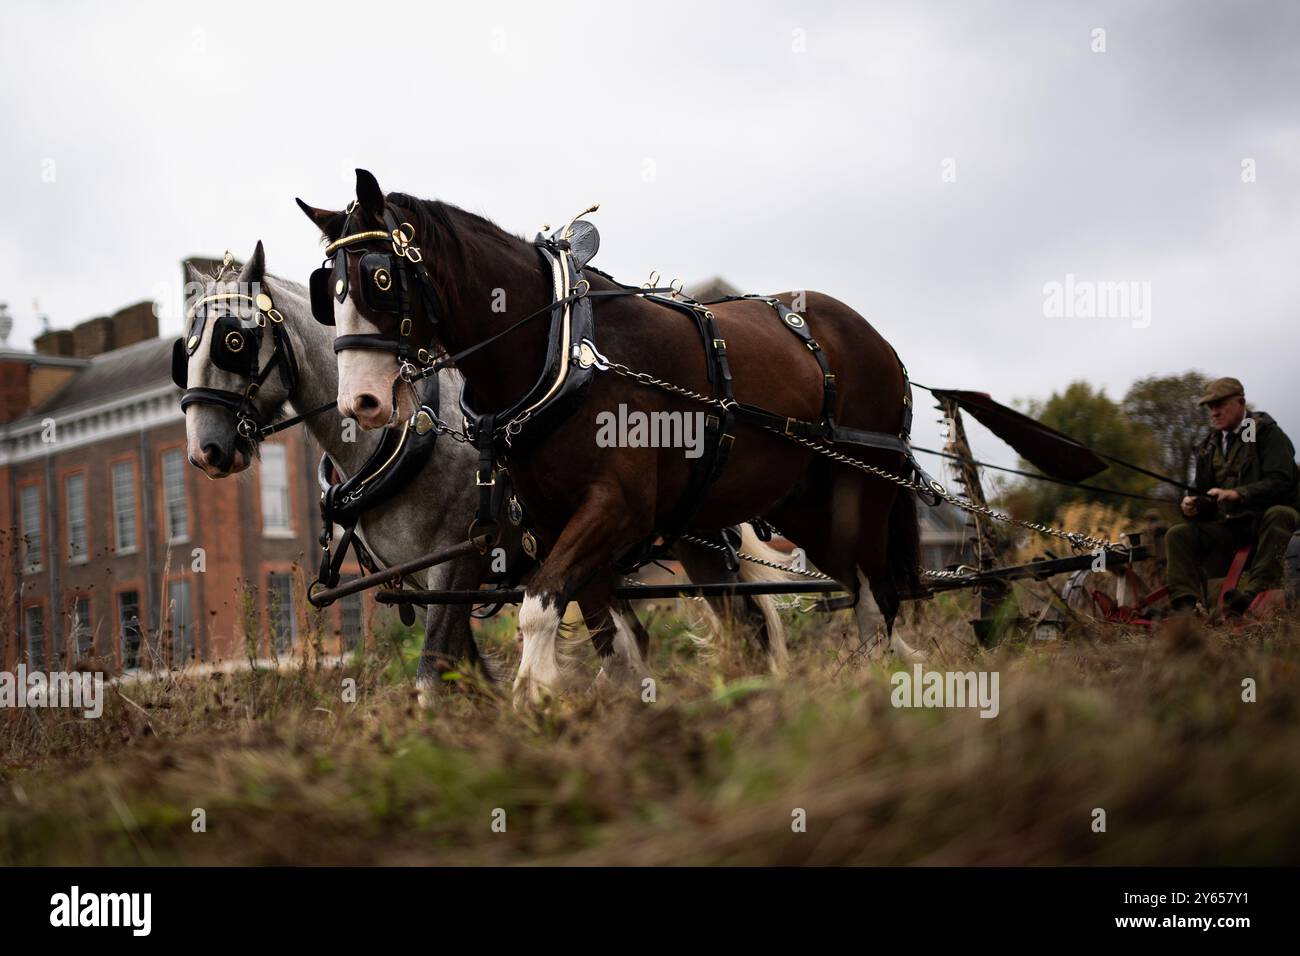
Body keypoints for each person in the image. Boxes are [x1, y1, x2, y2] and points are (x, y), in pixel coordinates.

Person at [1165, 377, 1299, 614]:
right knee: (1178, 534)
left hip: (1266, 525)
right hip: (1230, 529)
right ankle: (1188, 607)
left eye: (1220, 405)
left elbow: (1281, 481)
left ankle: (1253, 595)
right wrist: (1193, 506)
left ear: (1241, 402)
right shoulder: (1209, 446)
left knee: (1281, 514)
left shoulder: (1266, 434)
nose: (1214, 412)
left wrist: (1238, 493)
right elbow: (1204, 493)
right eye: (1210, 407)